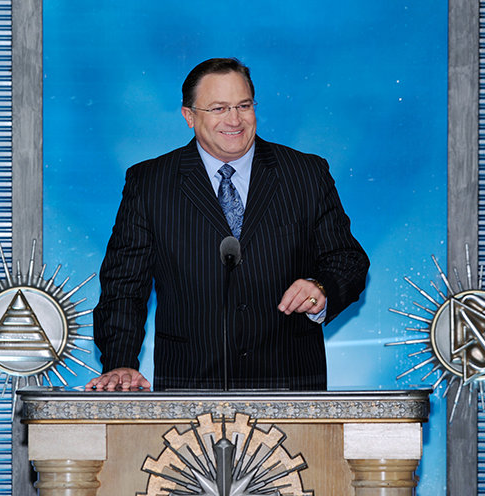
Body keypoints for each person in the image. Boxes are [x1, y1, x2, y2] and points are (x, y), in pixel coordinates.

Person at [86, 58, 369, 392]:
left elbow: (347, 260)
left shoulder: (305, 173)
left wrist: (321, 287)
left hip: (290, 385)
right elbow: (124, 286)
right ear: (189, 116)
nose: (234, 120)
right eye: (219, 108)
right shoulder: (150, 183)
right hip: (189, 386)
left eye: (243, 106)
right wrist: (120, 362)